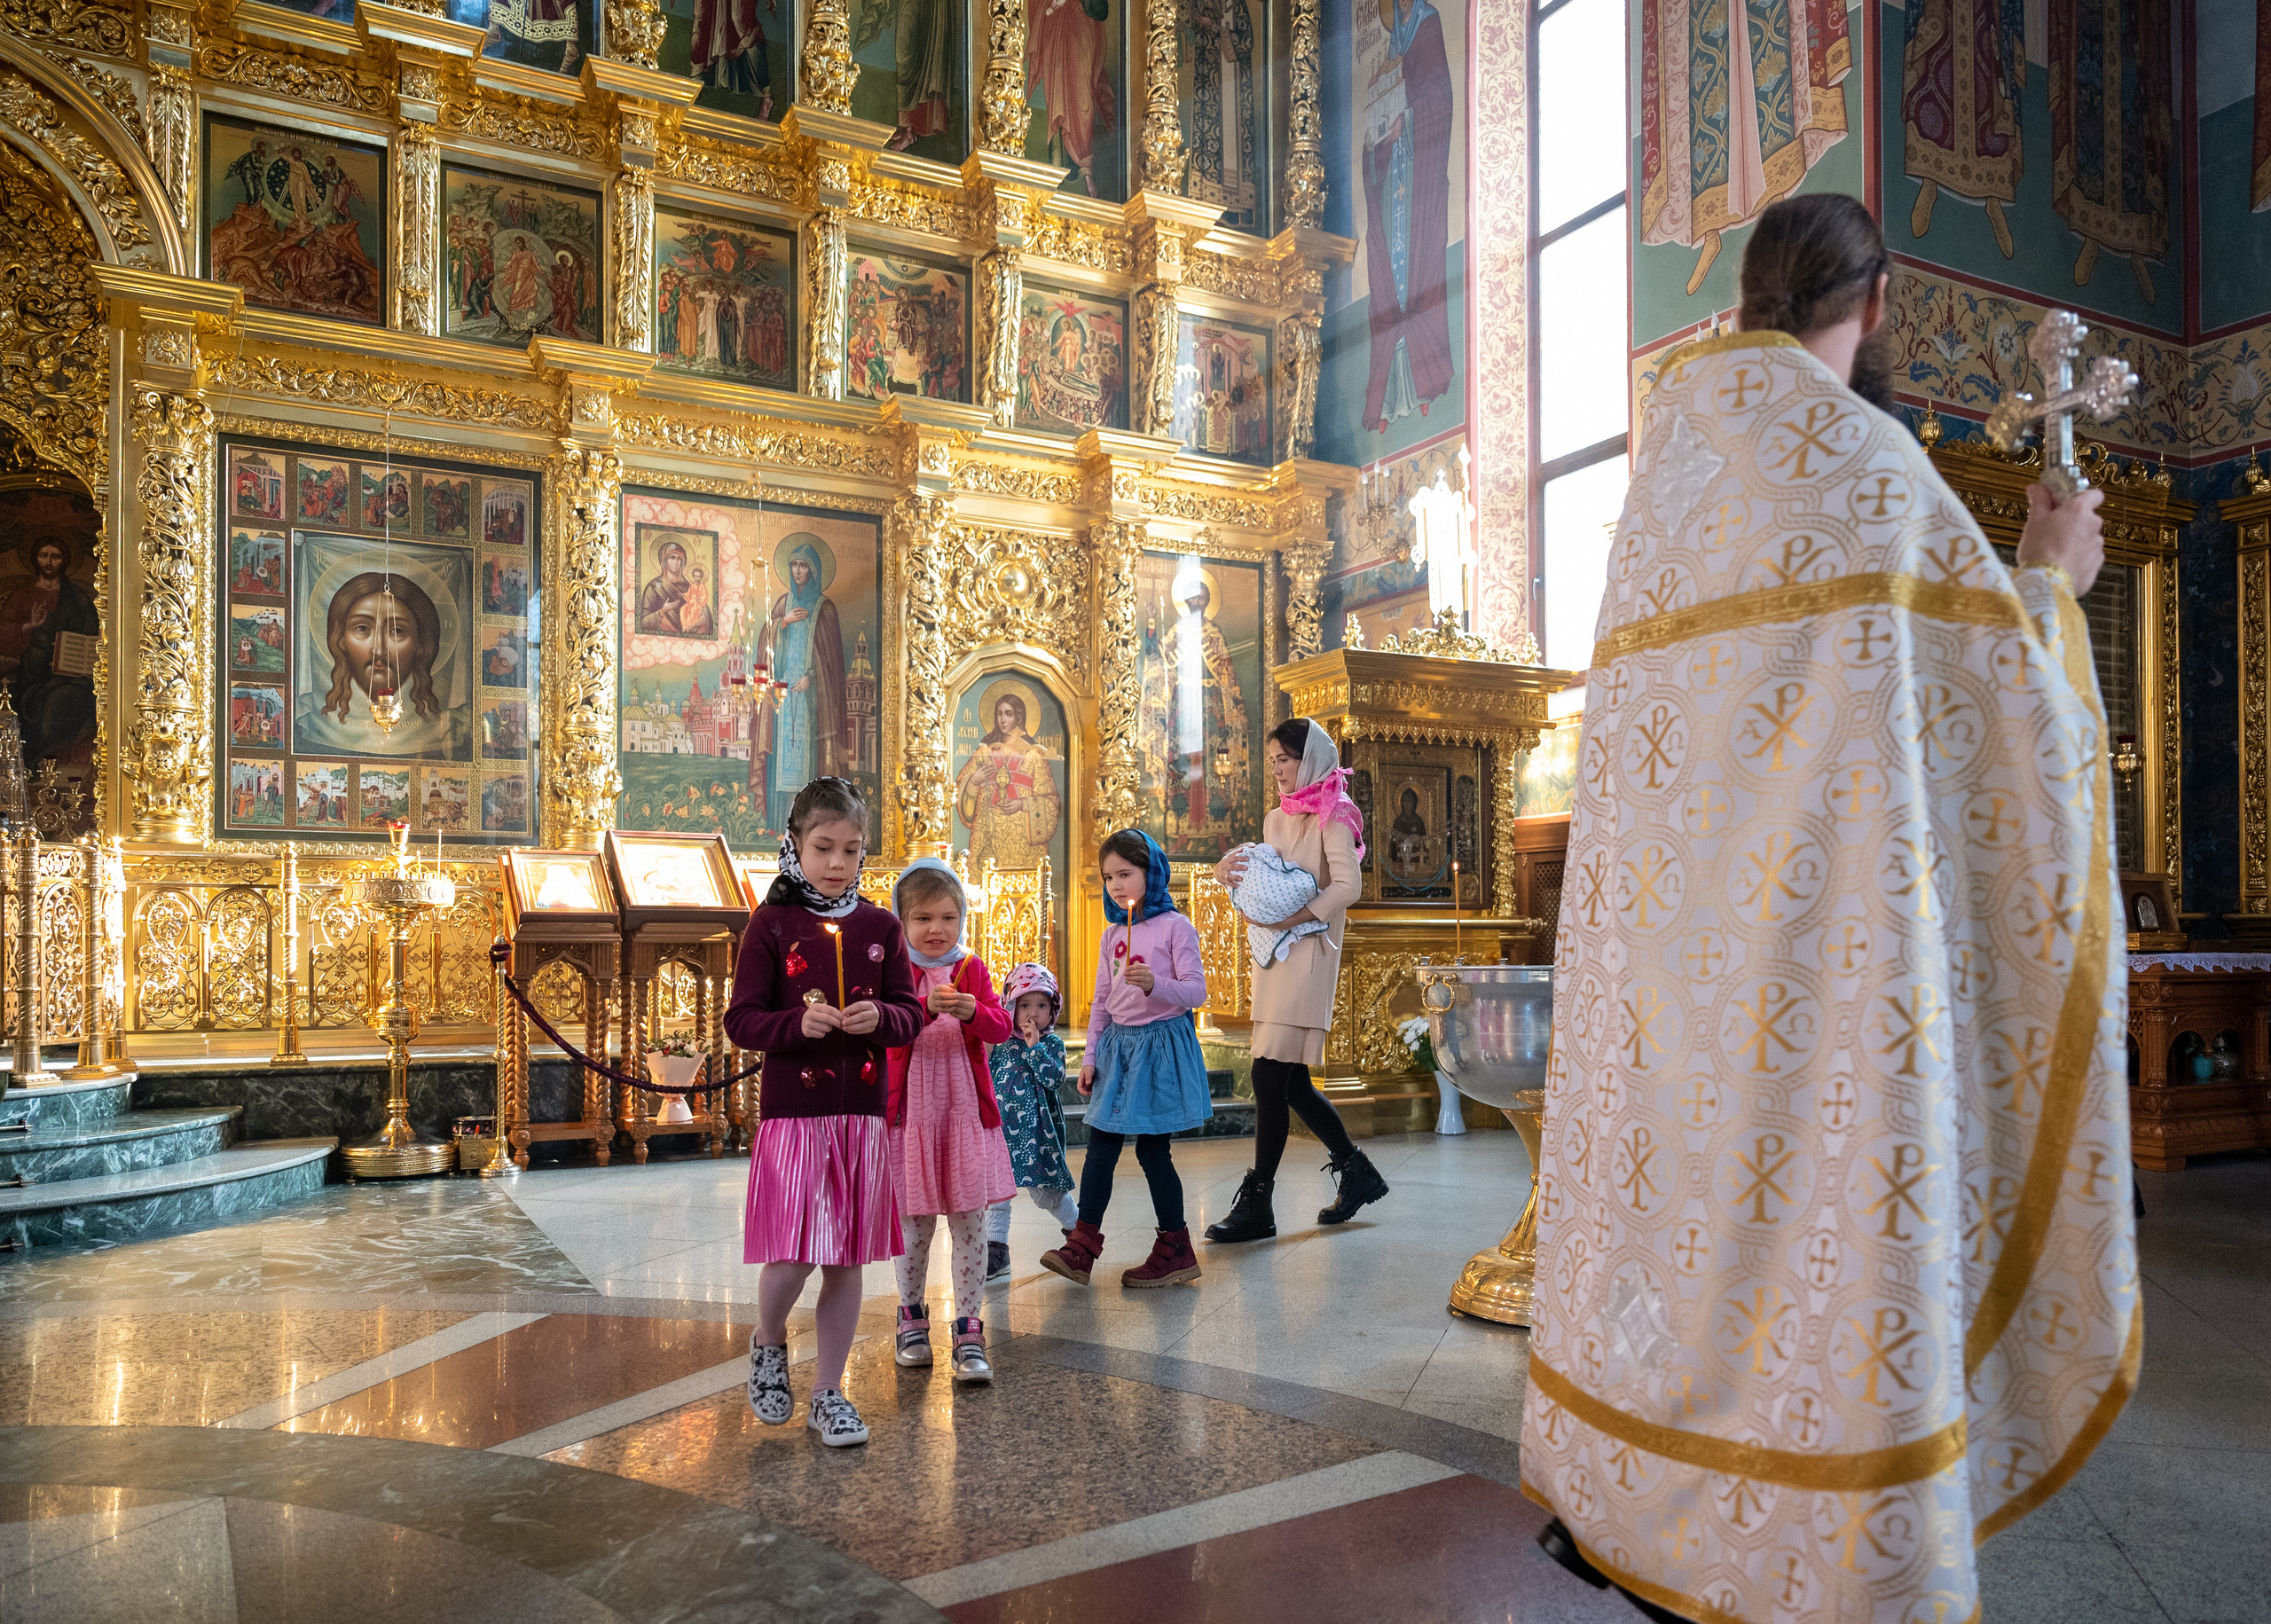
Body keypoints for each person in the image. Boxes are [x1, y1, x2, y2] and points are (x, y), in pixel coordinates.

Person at [1521, 194, 2130, 1624]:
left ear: (1750, 295)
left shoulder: (1667, 485)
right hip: (1822, 981)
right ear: (1879, 299)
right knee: (1830, 1254)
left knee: (1681, 1240)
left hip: (1674, 987)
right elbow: (2007, 716)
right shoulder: (1867, 465)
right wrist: (2054, 582)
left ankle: (1641, 1501)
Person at [724, 777, 926, 1448]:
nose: (838, 862)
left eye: (851, 849)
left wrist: (883, 1017)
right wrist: (795, 1025)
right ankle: (768, 1339)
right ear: (795, 844)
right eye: (823, 847)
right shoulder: (771, 924)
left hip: (861, 1118)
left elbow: (911, 1012)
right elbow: (741, 1020)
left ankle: (829, 1392)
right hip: (796, 1117)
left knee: (846, 1261)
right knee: (792, 1256)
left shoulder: (880, 926)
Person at [1206, 718, 1387, 1244]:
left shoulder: (1336, 814)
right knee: (1292, 1082)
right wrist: (1227, 872)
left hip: (1310, 952)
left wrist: (1298, 917)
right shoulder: (1275, 818)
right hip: (1275, 954)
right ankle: (1356, 1171)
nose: (1279, 770)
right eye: (1274, 761)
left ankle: (1258, 1202)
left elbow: (1348, 886)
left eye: (1285, 759)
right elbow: (1267, 876)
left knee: (1268, 1074)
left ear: (1309, 760)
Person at [1041, 830, 1212, 1289]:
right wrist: (1090, 1056)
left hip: (1159, 1048)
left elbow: (1196, 991)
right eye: (1108, 877)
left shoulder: (1176, 926)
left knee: (1154, 1151)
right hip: (1118, 1048)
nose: (1116, 885)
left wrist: (1157, 984)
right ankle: (1081, 1246)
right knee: (1101, 1147)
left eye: (1125, 874)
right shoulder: (1112, 934)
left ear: (1150, 873)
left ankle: (1175, 1248)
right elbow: (1102, 1002)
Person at [884, 860, 1015, 1383]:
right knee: (913, 1223)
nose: (936, 929)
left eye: (947, 917)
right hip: (913, 1112)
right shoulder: (894, 971)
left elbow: (1001, 1026)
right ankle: (910, 1317)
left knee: (970, 1220)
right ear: (902, 921)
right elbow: (884, 1028)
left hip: (963, 1111)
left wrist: (970, 1011)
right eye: (922, 918)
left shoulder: (971, 968)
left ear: (962, 918)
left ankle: (968, 1328)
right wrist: (920, 1008)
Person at [984, 962, 1080, 1280]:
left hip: (1036, 1134)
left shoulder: (1051, 1044)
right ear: (1010, 1007)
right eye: (1024, 1005)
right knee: (997, 1191)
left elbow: (1053, 1079)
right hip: (1000, 1131)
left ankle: (1079, 1233)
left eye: (1041, 1005)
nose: (1032, 1013)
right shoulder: (1001, 1043)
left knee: (1046, 1193)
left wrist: (1035, 1047)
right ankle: (996, 1249)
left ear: (1053, 1010)